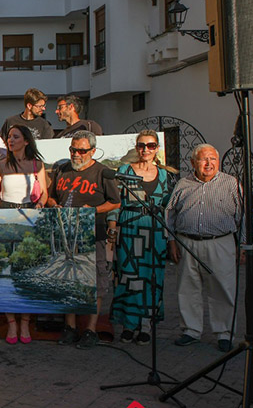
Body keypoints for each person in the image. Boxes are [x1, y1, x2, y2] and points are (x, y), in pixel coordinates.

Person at [46, 130, 120, 350]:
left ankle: (91, 329)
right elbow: (51, 196)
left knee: (95, 280)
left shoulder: (103, 173)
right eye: (73, 149)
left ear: (93, 151)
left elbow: (115, 203)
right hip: (66, 234)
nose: (76, 154)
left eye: (81, 151)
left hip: (93, 232)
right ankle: (70, 326)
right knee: (69, 279)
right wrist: (53, 205)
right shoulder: (63, 170)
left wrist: (94, 210)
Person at [166, 144, 242, 353]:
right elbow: (170, 213)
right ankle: (191, 330)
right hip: (187, 243)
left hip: (220, 242)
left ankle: (224, 333)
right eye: (203, 159)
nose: (209, 163)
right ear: (193, 163)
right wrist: (171, 241)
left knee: (222, 288)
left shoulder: (231, 184)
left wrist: (243, 245)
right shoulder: (183, 183)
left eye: (213, 159)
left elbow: (243, 216)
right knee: (187, 288)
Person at [111, 130, 177, 345]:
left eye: (150, 146)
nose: (145, 150)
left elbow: (170, 206)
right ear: (137, 147)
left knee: (152, 277)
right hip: (130, 227)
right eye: (141, 145)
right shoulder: (124, 170)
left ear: (157, 148)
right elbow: (115, 201)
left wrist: (171, 237)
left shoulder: (166, 175)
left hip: (155, 230)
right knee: (129, 276)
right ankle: (130, 324)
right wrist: (113, 226)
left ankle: (147, 323)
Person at [0, 125, 48, 344]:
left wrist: (40, 205)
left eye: (15, 137)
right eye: (9, 137)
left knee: (27, 270)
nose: (10, 140)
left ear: (26, 141)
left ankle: (25, 321)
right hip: (7, 215)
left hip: (30, 216)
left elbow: (44, 194)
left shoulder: (37, 165)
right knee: (7, 269)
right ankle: (11, 323)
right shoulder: (0, 166)